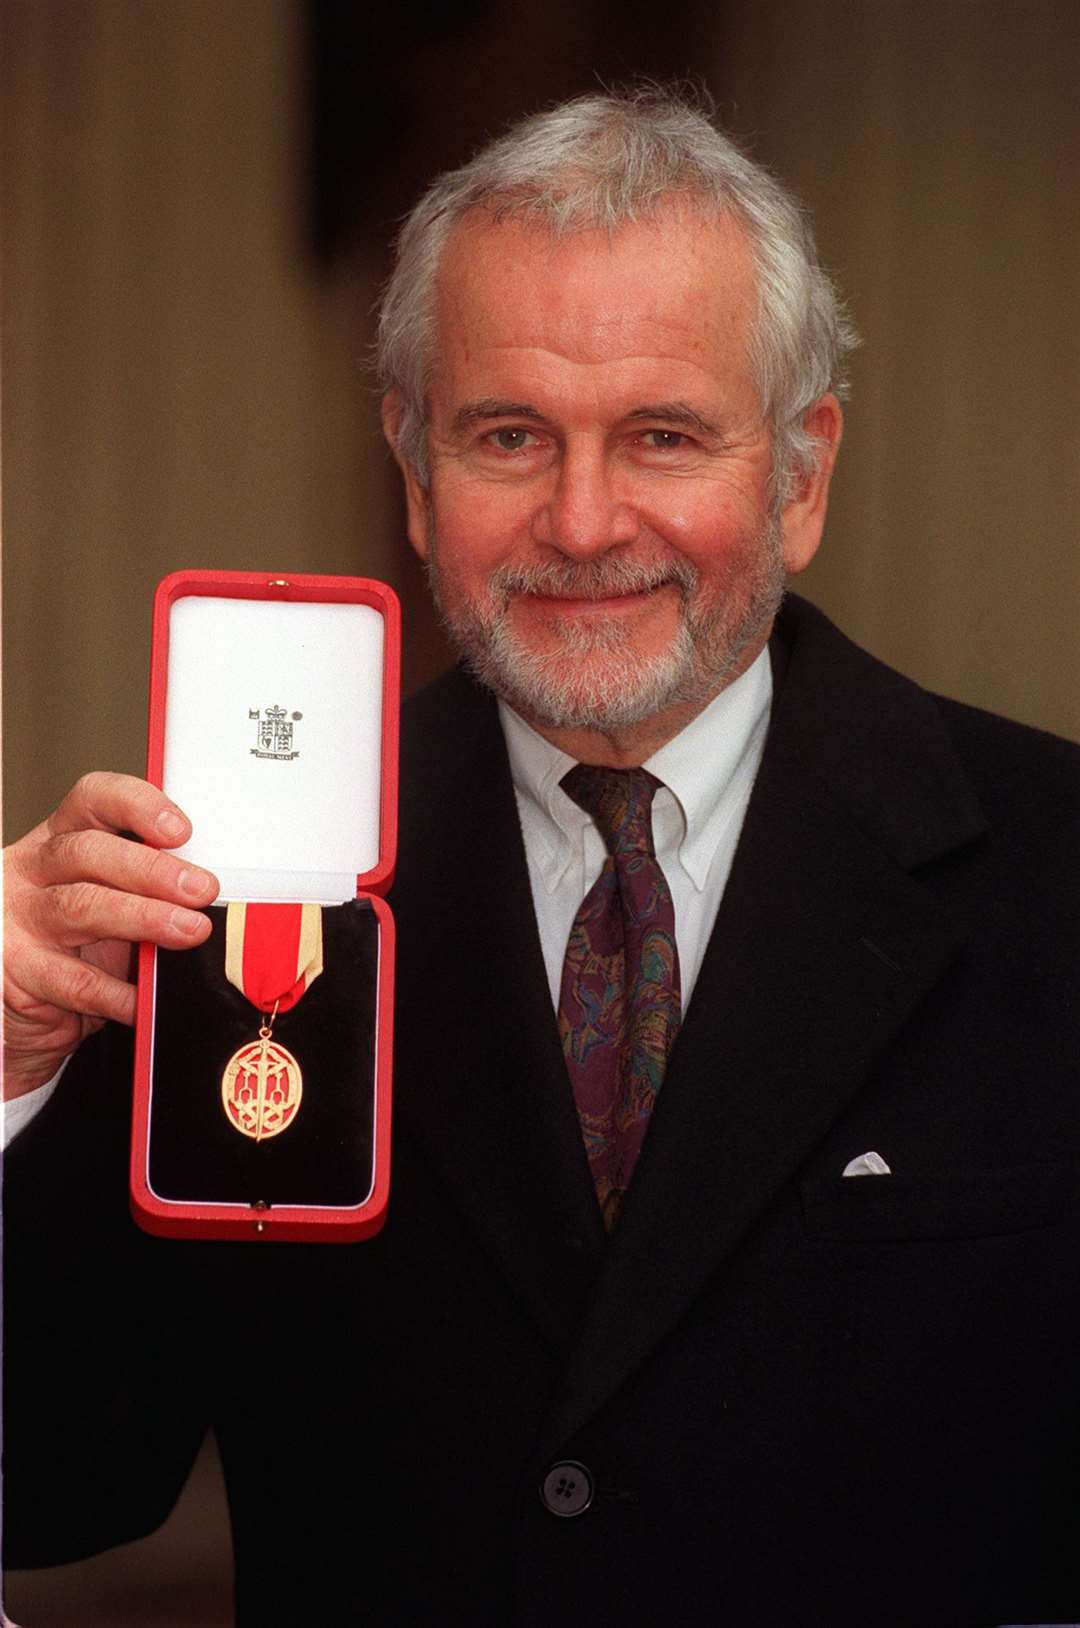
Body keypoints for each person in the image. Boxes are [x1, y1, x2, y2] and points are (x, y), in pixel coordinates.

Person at [4, 88, 1079, 1627]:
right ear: (414, 465)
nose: (582, 523)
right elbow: (55, 1484)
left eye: (662, 435)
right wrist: (8, 1075)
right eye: (509, 435)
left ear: (801, 472)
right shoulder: (236, 880)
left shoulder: (1056, 877)